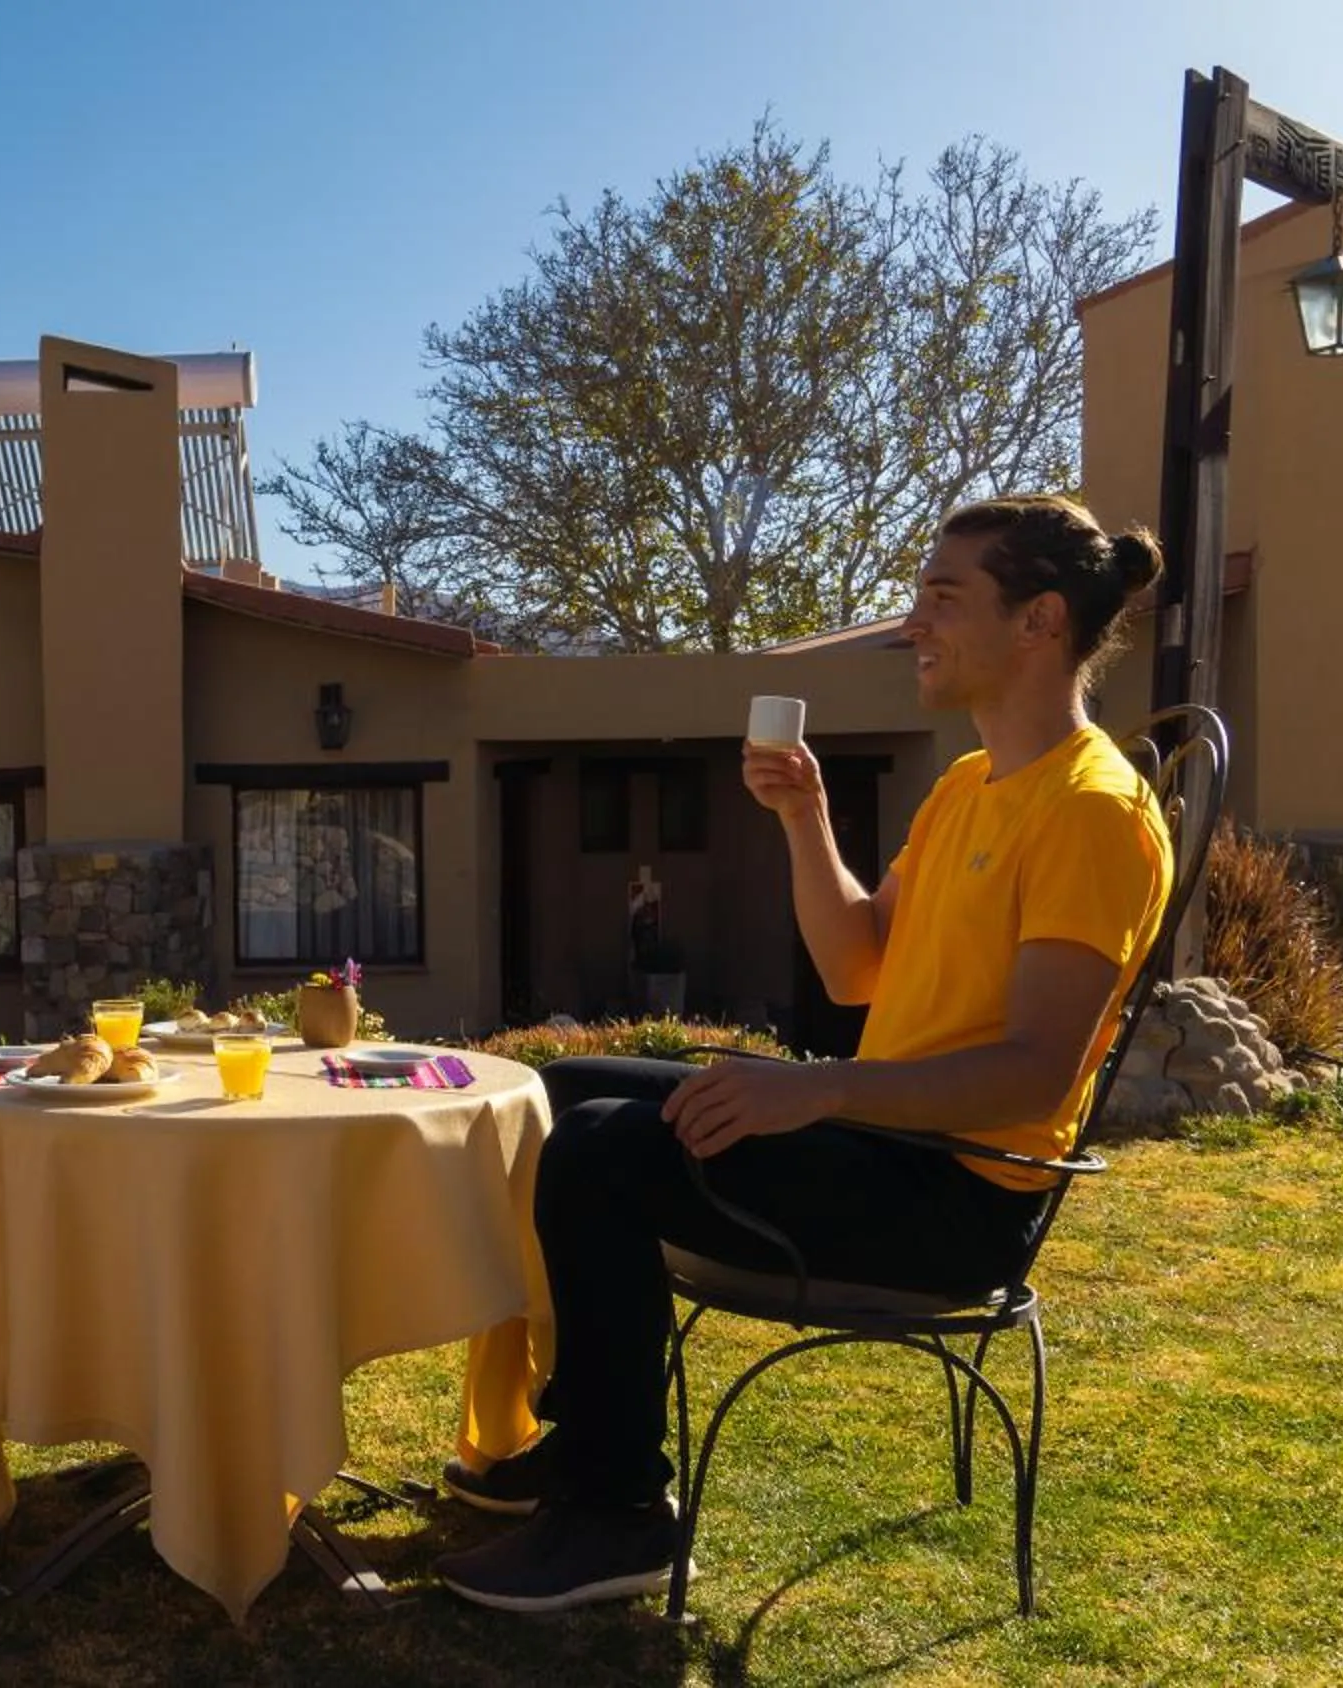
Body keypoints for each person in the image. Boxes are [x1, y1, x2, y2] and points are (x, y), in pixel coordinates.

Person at [436, 494, 1173, 1613]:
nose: (912, 619)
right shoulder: (971, 785)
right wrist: (803, 818)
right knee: (562, 1087)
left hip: (956, 1194)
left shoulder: (1091, 811)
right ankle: (589, 1432)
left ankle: (616, 1510)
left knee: (599, 1151)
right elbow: (856, 969)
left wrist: (815, 1089)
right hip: (880, 1139)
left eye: (942, 594)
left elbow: (1034, 1070)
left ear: (1041, 621)